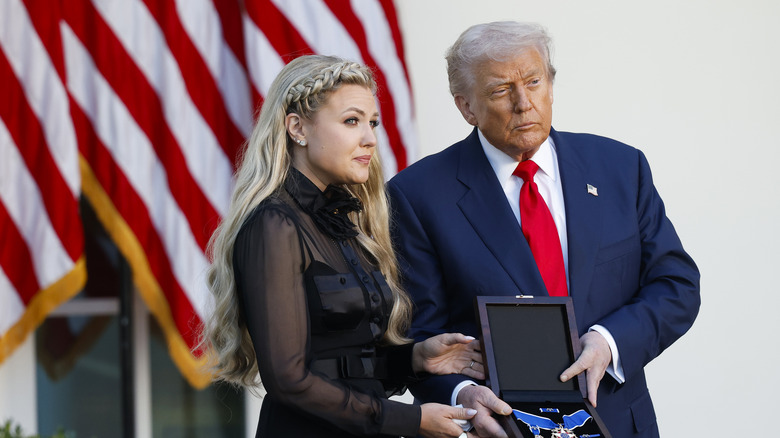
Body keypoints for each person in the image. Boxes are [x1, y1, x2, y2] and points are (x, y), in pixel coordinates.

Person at [387, 21, 701, 438]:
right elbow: (419, 335)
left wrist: (609, 341)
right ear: (466, 107)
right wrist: (461, 394)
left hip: (618, 421)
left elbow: (676, 285)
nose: (524, 103)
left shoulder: (620, 168)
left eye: (533, 82)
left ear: (550, 85)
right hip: (500, 424)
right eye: (501, 90)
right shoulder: (417, 194)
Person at [201, 55, 486, 438]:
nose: (369, 138)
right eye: (352, 121)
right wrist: (412, 420)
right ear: (297, 128)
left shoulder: (343, 221)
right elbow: (290, 380)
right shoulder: (274, 223)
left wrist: (416, 358)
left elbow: (348, 366)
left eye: (373, 123)